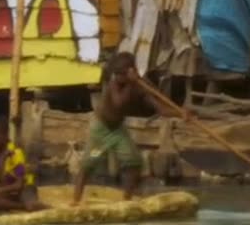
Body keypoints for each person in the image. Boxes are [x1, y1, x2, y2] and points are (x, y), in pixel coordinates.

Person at [70, 52, 190, 205]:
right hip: (101, 131)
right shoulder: (114, 84)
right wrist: (131, 83)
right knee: (88, 163)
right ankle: (75, 200)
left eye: (121, 74)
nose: (117, 77)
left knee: (134, 162)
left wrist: (181, 113)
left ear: (131, 71)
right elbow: (119, 103)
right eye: (117, 74)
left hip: (118, 130)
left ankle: (127, 199)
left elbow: (161, 109)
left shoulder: (141, 85)